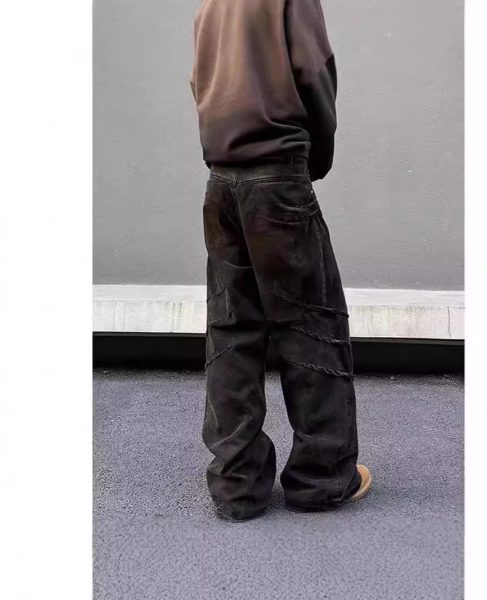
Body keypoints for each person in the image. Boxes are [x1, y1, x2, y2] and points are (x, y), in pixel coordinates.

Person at [190, 0, 371, 521]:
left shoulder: (210, 4)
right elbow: (314, 73)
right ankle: (321, 479)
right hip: (277, 176)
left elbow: (198, 83)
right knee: (311, 324)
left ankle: (237, 486)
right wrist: (313, 160)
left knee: (232, 331)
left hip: (221, 181)